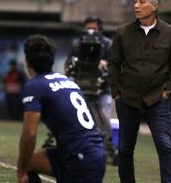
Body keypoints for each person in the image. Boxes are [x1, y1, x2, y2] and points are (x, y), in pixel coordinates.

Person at [108, 0, 171, 183]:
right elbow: (113, 63)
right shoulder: (123, 32)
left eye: (142, 2)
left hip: (157, 99)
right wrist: (116, 92)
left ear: (155, 6)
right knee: (124, 149)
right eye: (135, 2)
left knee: (165, 146)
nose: (136, 6)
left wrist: (168, 91)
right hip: (128, 99)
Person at [17, 35, 105, 183]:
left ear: (26, 61)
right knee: (29, 163)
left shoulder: (34, 85)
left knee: (24, 164)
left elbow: (29, 135)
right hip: (93, 153)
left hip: (79, 159)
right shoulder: (67, 81)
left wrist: (20, 172)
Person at [65, 16, 117, 163]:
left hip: (102, 88)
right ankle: (84, 150)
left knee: (103, 120)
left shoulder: (107, 44)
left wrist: (105, 64)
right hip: (82, 87)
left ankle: (107, 151)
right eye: (88, 28)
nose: (91, 31)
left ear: (100, 29)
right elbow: (69, 64)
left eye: (94, 28)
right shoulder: (77, 44)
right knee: (82, 121)